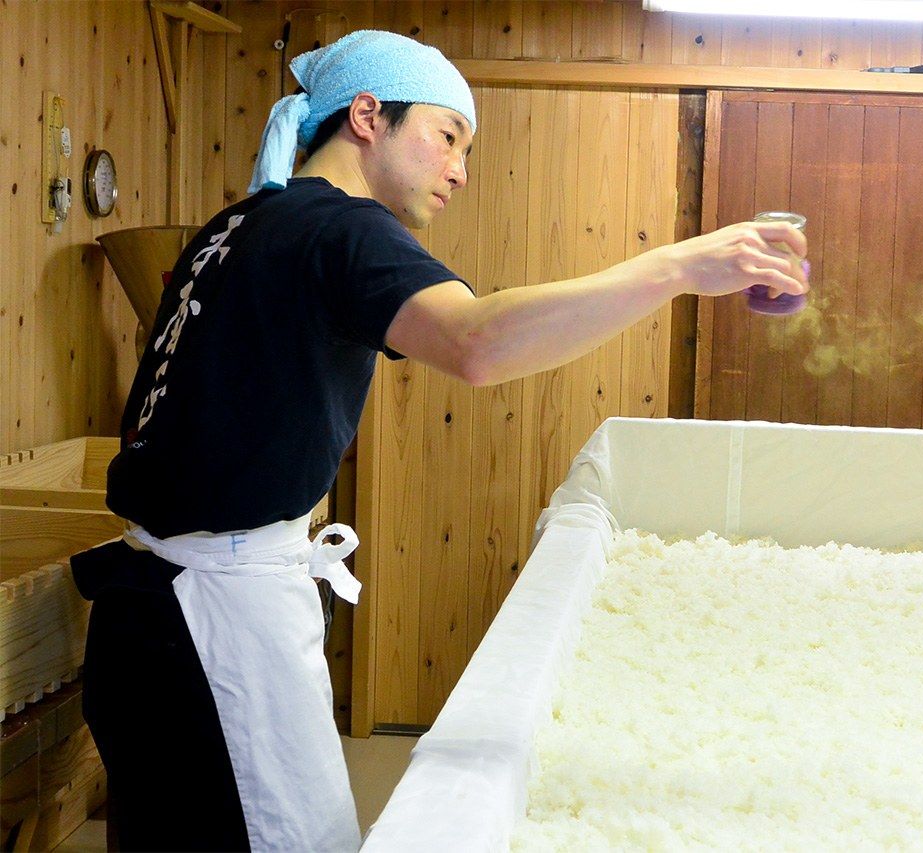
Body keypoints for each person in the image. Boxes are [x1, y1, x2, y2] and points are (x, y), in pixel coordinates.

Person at [70, 29, 807, 852]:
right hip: (213, 627)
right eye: (447, 135)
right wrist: (675, 269)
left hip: (143, 615)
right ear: (366, 116)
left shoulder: (237, 224)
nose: (459, 168)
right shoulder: (341, 228)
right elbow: (477, 342)